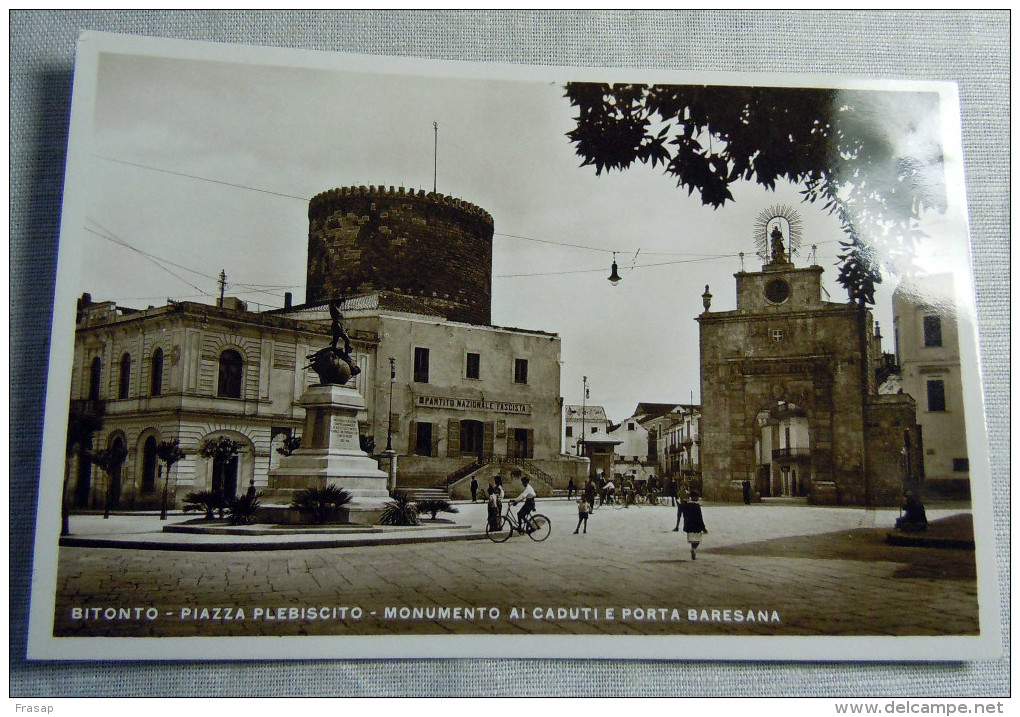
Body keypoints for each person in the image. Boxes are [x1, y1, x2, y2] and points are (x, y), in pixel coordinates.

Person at [681, 492, 708, 560]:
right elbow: (700, 517)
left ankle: (693, 549)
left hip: (689, 525)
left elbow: (684, 515)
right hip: (696, 525)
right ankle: (693, 549)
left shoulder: (686, 505)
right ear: (694, 497)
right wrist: (703, 527)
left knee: (692, 539)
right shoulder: (696, 506)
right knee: (697, 540)